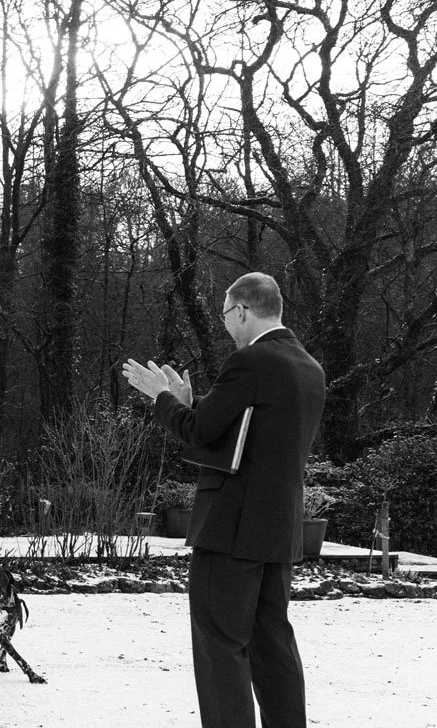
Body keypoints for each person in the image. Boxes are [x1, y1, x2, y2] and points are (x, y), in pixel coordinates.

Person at [123, 272, 325, 728]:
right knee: (272, 643)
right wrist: (192, 404)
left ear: (241, 311)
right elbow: (241, 440)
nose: (226, 325)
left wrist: (162, 399)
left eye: (226, 315)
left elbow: (197, 433)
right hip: (278, 532)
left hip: (232, 532)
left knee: (219, 646)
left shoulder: (250, 362)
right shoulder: (309, 368)